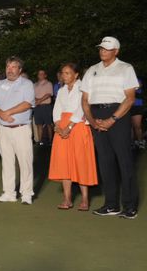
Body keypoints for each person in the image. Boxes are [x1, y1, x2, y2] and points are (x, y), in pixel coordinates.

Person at [81, 36, 140, 219]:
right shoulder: (92, 70)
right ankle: (111, 204)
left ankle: (130, 205)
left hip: (118, 115)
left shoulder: (125, 68)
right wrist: (92, 121)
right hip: (96, 115)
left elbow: (129, 98)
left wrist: (112, 119)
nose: (103, 51)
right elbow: (84, 99)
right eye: (101, 48)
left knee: (124, 161)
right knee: (105, 163)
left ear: (116, 51)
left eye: (107, 49)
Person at [48, 62, 97, 211]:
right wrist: (57, 125)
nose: (64, 75)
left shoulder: (83, 88)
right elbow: (57, 109)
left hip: (78, 127)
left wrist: (69, 126)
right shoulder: (61, 90)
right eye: (63, 73)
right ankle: (67, 199)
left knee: (80, 161)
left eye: (68, 73)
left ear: (76, 75)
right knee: (64, 162)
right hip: (62, 126)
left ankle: (84, 199)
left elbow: (82, 108)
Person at [0, 56, 35, 205]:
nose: (9, 69)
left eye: (13, 67)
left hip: (20, 129)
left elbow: (27, 103)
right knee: (7, 162)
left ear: (20, 69)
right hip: (3, 129)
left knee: (25, 162)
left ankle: (27, 194)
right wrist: (2, 114)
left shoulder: (27, 84)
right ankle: (9, 193)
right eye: (8, 66)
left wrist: (7, 112)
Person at [33, 70, 54, 145]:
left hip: (46, 106)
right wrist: (37, 100)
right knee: (39, 124)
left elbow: (49, 94)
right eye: (39, 73)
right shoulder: (34, 84)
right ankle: (41, 141)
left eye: (42, 73)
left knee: (49, 123)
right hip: (37, 107)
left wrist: (39, 100)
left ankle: (50, 140)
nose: (40, 75)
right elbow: (32, 95)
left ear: (45, 75)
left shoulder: (48, 83)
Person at [131, 77, 144, 149]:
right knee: (130, 127)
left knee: (137, 126)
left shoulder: (137, 80)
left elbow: (138, 86)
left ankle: (140, 141)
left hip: (137, 107)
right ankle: (132, 142)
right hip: (128, 108)